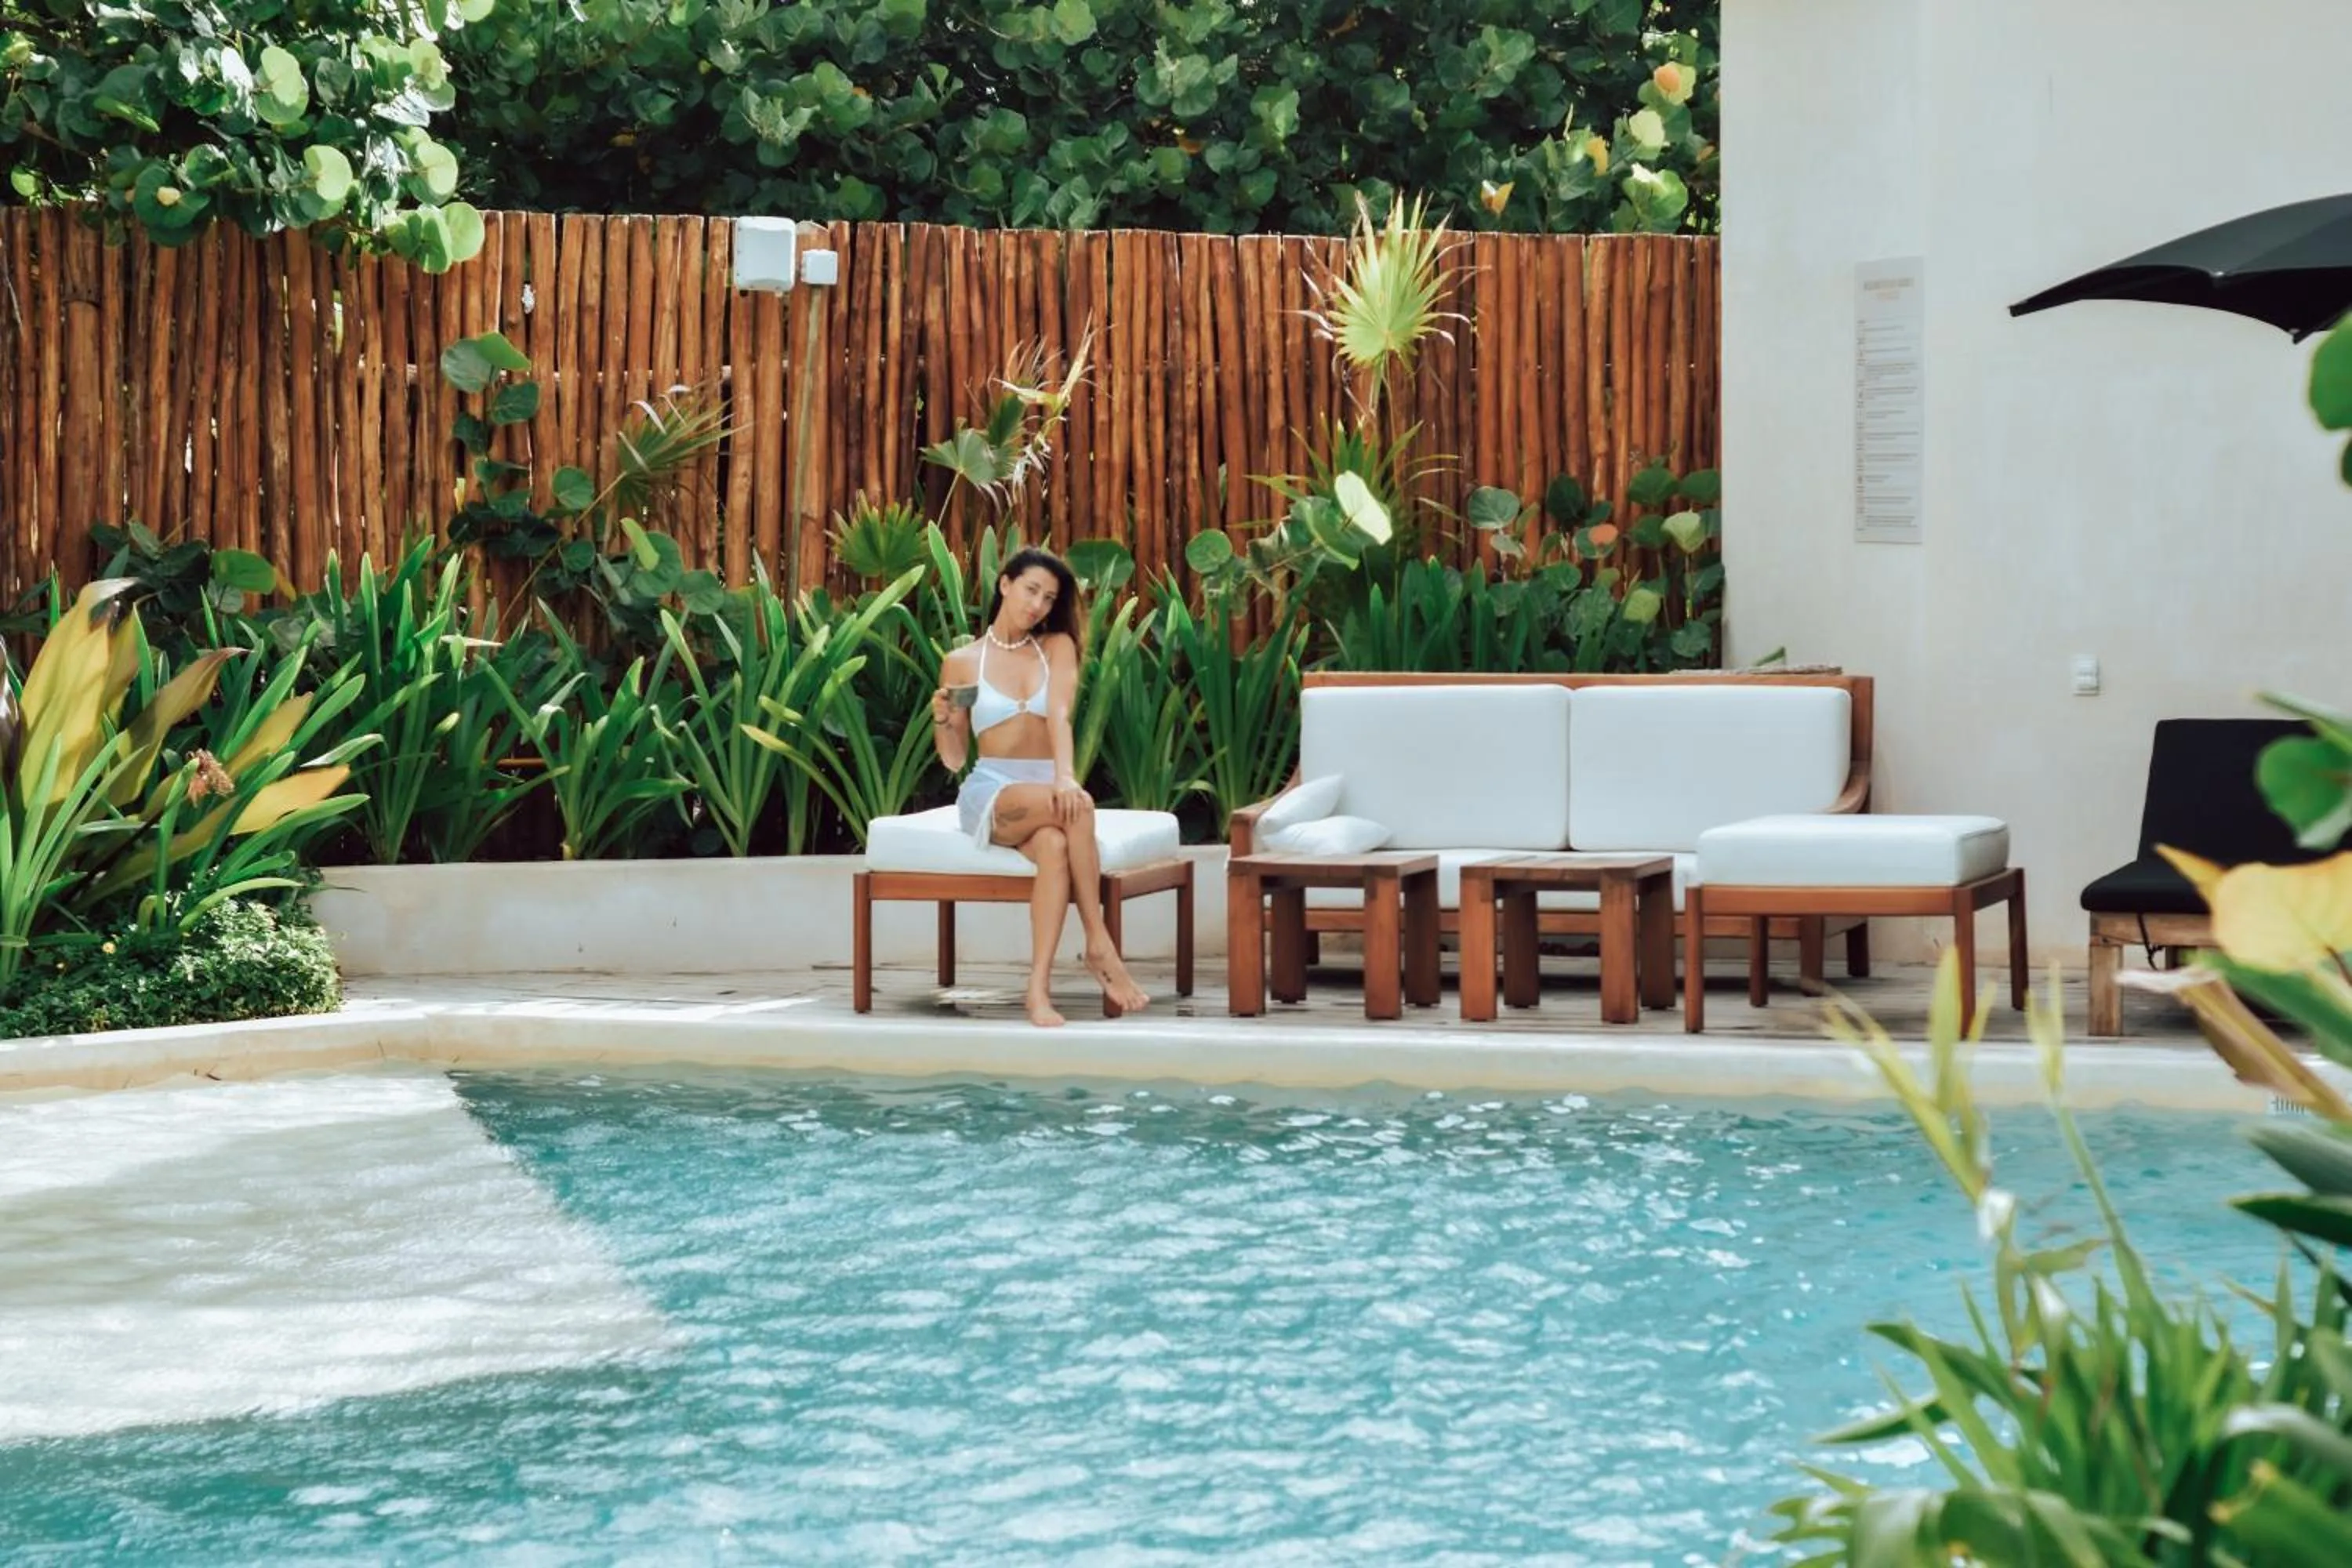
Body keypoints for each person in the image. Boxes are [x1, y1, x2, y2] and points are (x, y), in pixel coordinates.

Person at [928, 547, 1149, 1028]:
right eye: (1031, 590)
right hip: (994, 791)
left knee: (1053, 844)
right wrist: (944, 721)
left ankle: (1037, 992)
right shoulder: (963, 661)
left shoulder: (1056, 649)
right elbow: (955, 758)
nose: (1038, 606)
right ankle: (1098, 943)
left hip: (1046, 789)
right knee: (1078, 809)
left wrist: (1064, 776)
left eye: (1049, 598)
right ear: (1004, 585)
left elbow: (1061, 716)